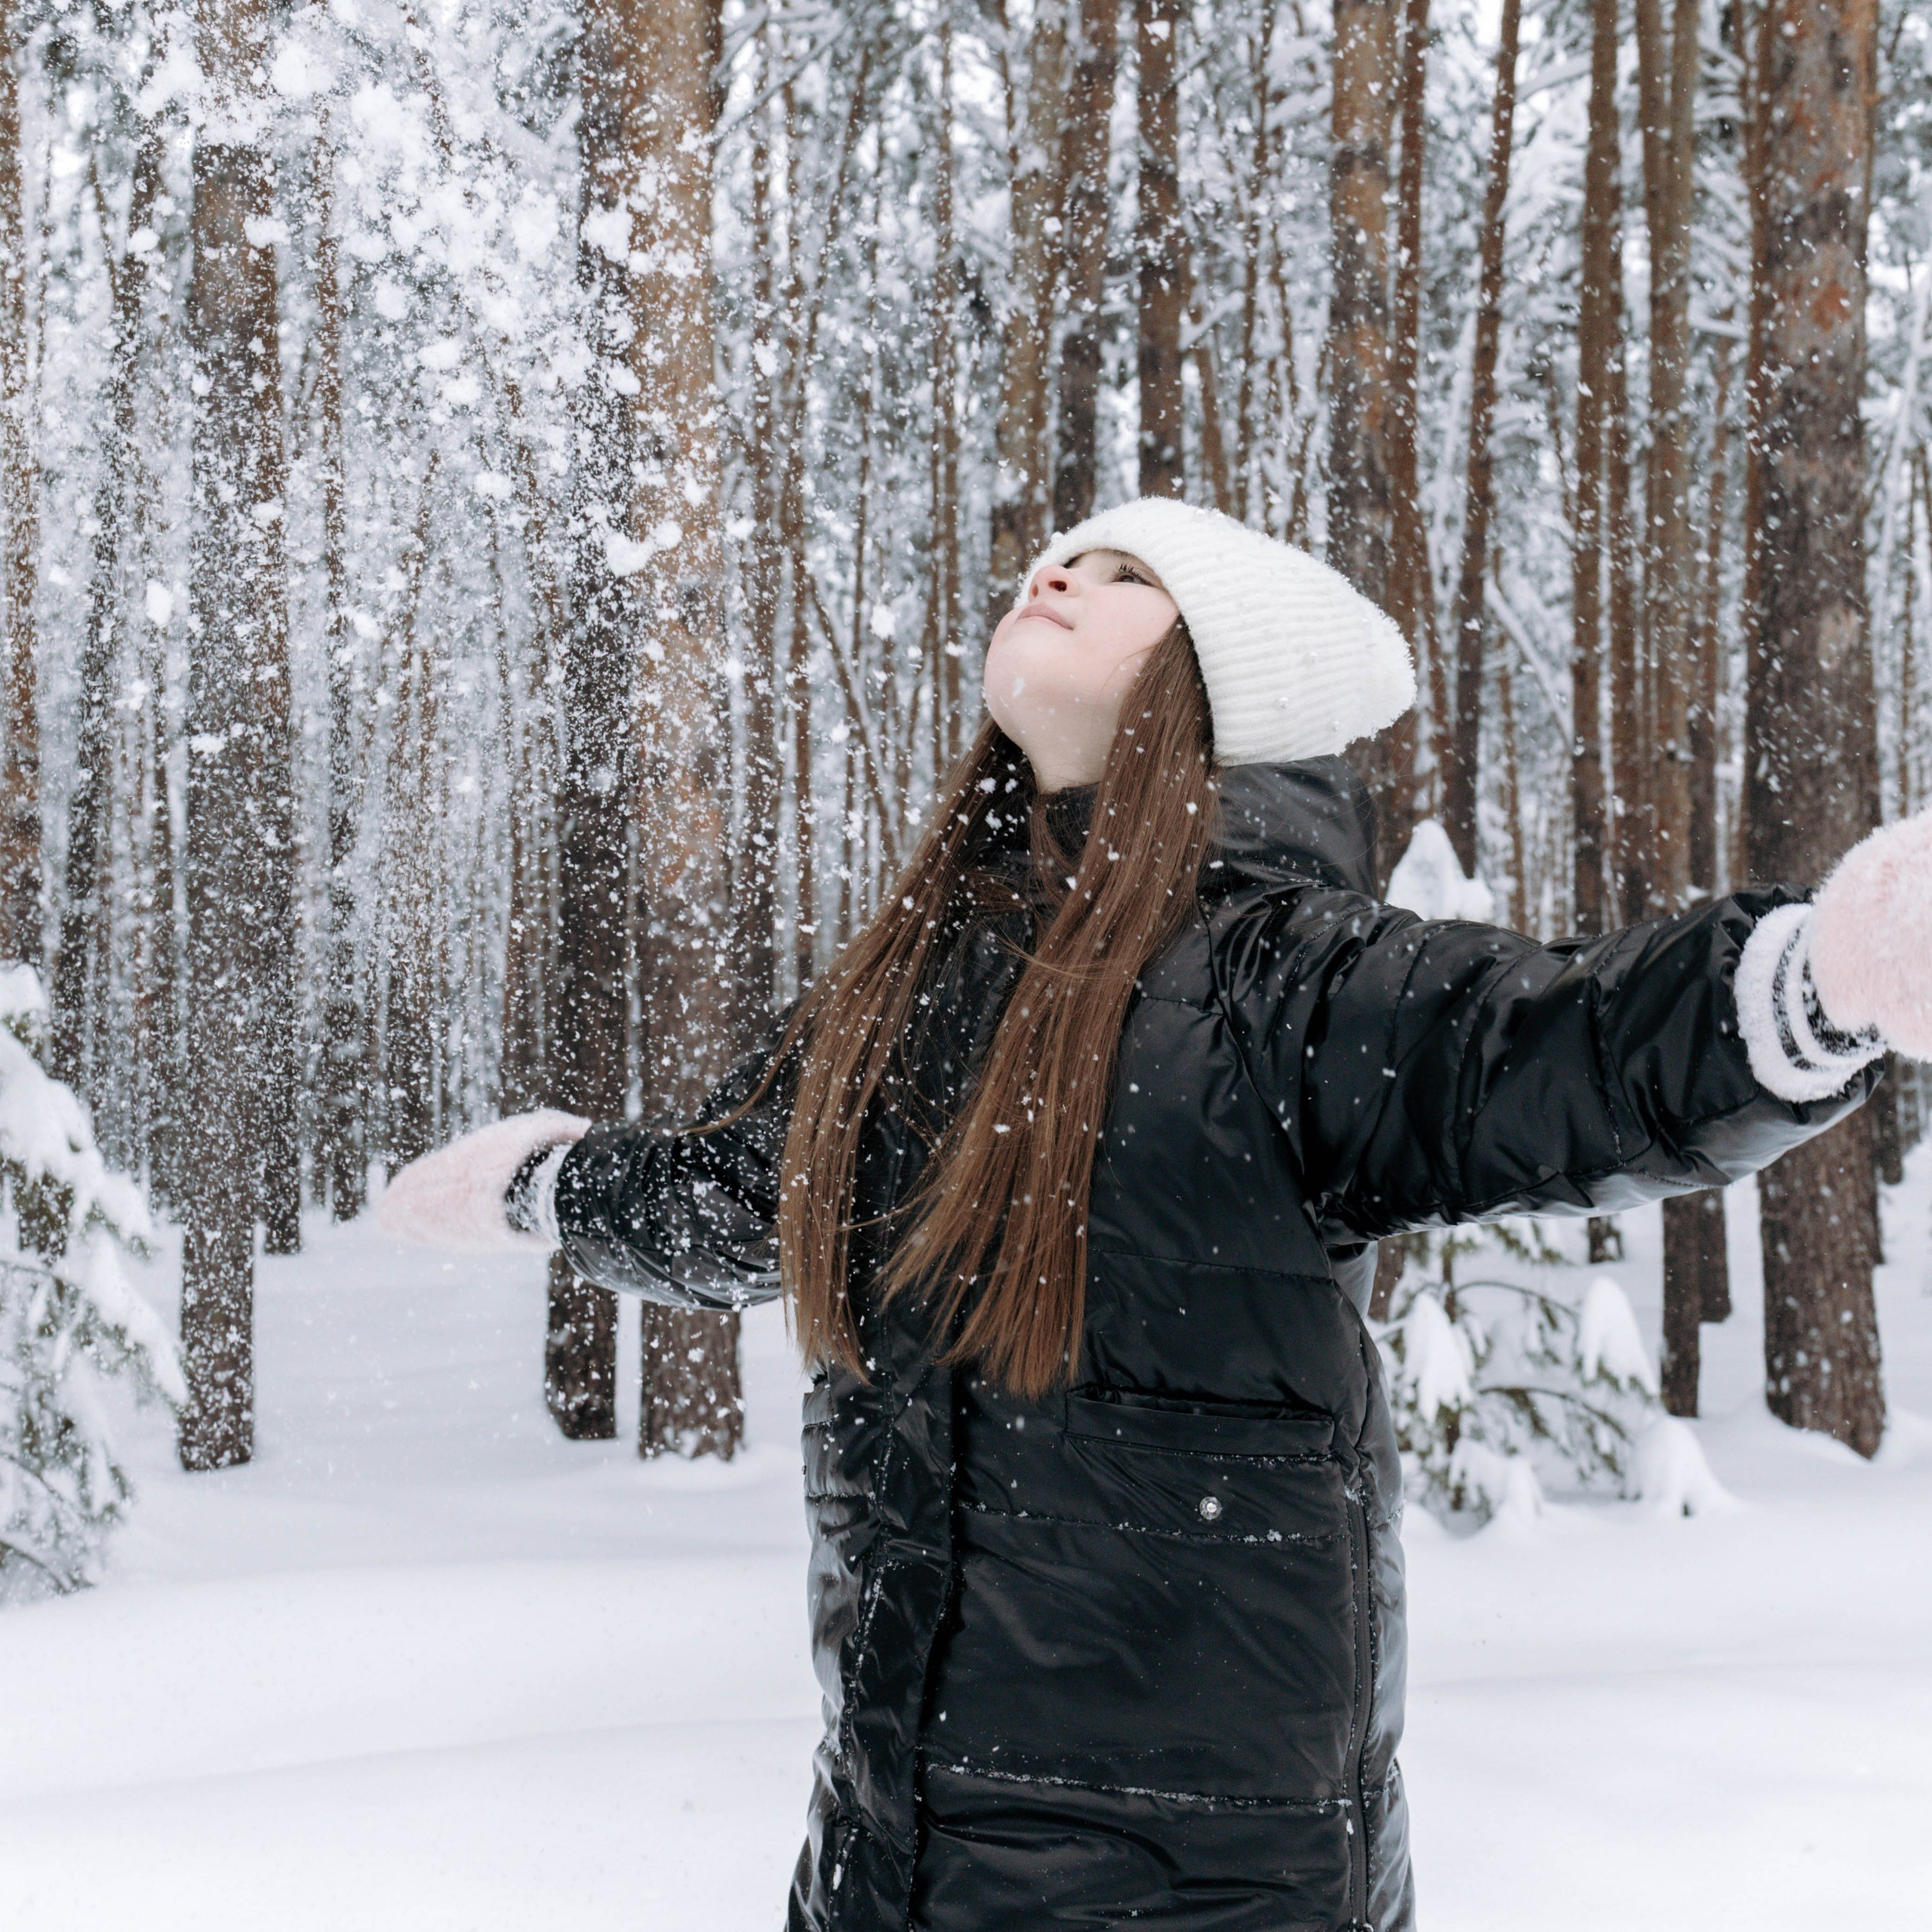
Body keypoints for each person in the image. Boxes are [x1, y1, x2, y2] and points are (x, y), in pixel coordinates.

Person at [380, 498, 1932, 1932]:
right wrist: (546, 1182)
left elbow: (1541, 1052)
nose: (1058, 569)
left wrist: (1804, 989)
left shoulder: (1284, 978)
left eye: (1129, 575)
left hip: (1200, 1881)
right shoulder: (904, 988)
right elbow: (734, 1191)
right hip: (883, 1856)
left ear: (1217, 679)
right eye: (1063, 554)